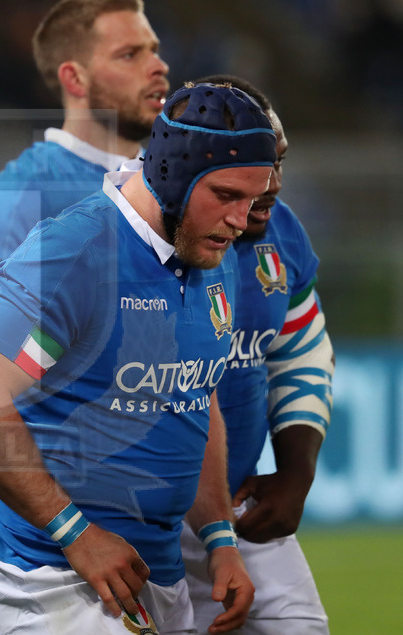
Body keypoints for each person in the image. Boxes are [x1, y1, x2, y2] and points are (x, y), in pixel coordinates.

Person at [0, 82, 278, 634]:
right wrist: (75, 533)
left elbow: (195, 397)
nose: (241, 219)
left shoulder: (216, 256)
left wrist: (219, 539)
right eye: (225, 194)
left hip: (154, 572)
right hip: (52, 571)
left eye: (254, 200)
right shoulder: (74, 252)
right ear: (173, 175)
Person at [0, 0, 170, 532]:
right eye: (130, 53)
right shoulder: (18, 197)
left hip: (174, 515)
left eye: (155, 49)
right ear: (74, 77)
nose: (157, 65)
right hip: (74, 529)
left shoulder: (175, 187)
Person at [179, 75, 334, 634]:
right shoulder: (139, 242)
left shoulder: (284, 236)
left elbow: (301, 352)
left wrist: (296, 473)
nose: (271, 185)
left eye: (279, 163)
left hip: (237, 506)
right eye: (251, 167)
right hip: (138, 515)